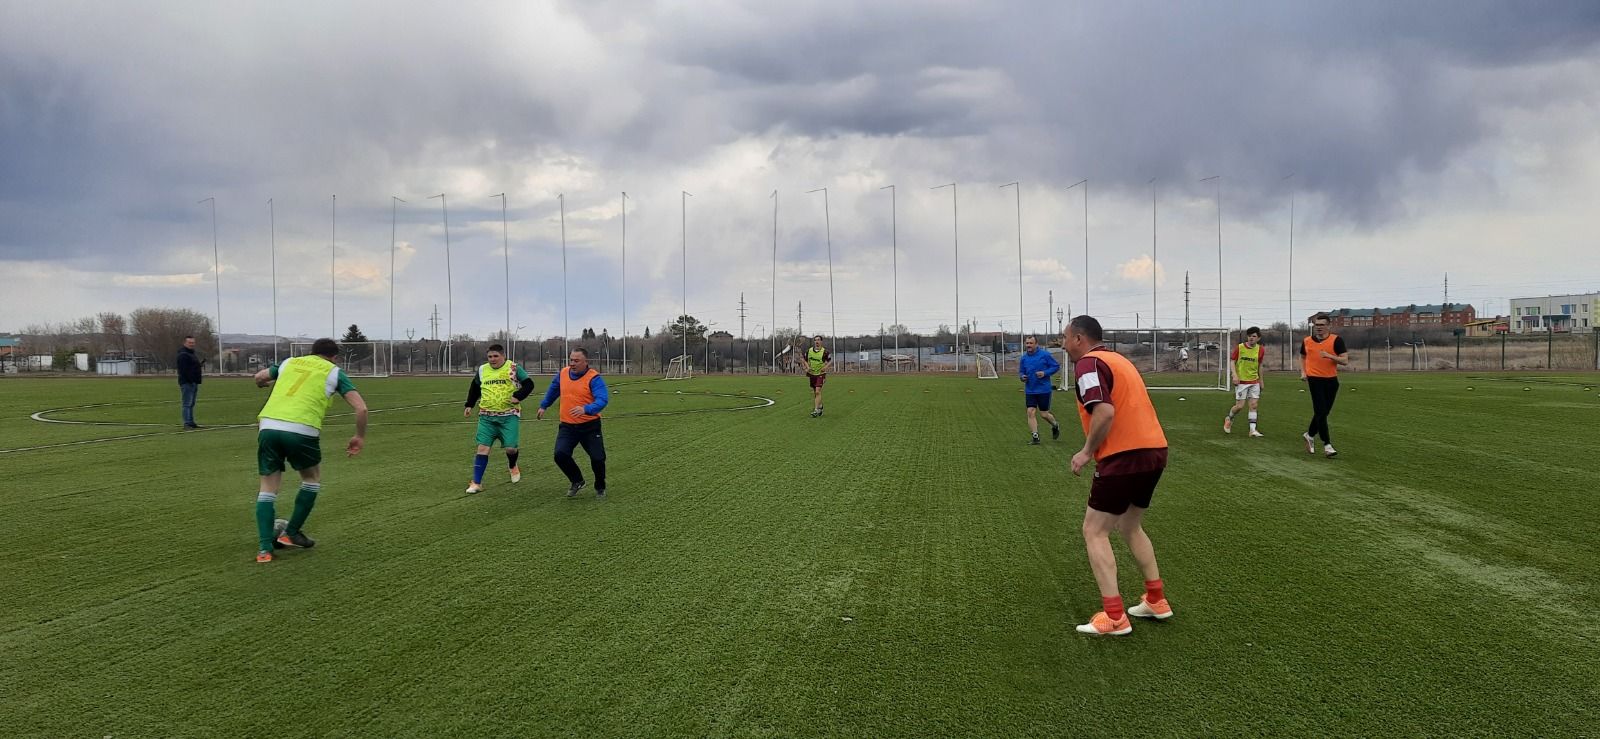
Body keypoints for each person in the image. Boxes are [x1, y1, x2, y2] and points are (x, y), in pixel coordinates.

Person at [1063, 315, 1171, 636]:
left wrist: (1085, 452)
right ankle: (1156, 599)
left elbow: (1105, 410)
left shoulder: (1088, 364)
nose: (1063, 344)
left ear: (1079, 339)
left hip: (1124, 455)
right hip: (1155, 450)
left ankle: (1114, 617)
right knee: (1129, 524)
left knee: (1094, 531)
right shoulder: (1119, 361)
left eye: (1065, 337)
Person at [249, 338, 368, 563]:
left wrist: (261, 384)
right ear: (334, 357)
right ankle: (291, 532)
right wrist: (359, 437)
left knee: (267, 487)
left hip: (268, 427)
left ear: (311, 352)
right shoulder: (334, 372)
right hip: (301, 429)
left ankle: (264, 550)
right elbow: (361, 408)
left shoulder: (290, 362)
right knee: (311, 479)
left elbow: (260, 376)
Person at [537, 348, 610, 498]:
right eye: (571, 360)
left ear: (586, 362)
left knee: (598, 458)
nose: (572, 364)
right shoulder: (563, 374)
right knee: (560, 454)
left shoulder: (594, 378)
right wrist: (544, 405)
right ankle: (577, 480)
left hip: (590, 426)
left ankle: (600, 486)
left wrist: (586, 409)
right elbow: (553, 389)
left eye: (576, 361)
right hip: (568, 426)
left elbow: (602, 400)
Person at [462, 344, 536, 494]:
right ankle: (476, 483)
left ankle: (512, 465)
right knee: (482, 448)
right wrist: (469, 404)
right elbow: (475, 387)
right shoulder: (483, 370)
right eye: (490, 356)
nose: (492, 359)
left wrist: (518, 396)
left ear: (503, 356)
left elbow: (529, 384)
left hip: (509, 416)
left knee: (511, 448)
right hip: (486, 417)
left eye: (496, 356)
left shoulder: (513, 368)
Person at [1300, 313, 1349, 458]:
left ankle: (1309, 435)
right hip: (1315, 380)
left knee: (1323, 413)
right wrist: (1303, 372)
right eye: (1317, 325)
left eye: (1322, 325)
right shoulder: (1307, 341)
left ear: (1328, 326)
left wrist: (1329, 356)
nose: (1319, 328)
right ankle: (1327, 444)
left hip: (1331, 381)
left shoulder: (1336, 340)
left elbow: (1345, 361)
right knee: (1321, 411)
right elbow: (1302, 356)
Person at [1017, 335, 1062, 445]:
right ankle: (1035, 436)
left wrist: (1045, 373)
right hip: (1030, 390)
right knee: (1030, 411)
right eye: (1027, 343)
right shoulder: (1024, 358)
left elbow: (1056, 366)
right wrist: (1022, 377)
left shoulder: (1045, 355)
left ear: (1036, 344)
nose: (1028, 345)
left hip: (1044, 390)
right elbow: (1021, 372)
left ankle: (1055, 425)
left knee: (1044, 414)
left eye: (1031, 343)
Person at [1224, 327, 1266, 437]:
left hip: (1254, 381)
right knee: (1239, 406)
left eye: (1254, 336)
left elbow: (1260, 365)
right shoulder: (1240, 347)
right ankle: (1229, 418)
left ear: (1258, 338)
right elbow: (1232, 361)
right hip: (1241, 382)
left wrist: (1261, 380)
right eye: (1249, 336)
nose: (1251, 338)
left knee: (1254, 405)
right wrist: (1234, 375)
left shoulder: (1260, 349)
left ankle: (1252, 430)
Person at [176, 335, 205, 428]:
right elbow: (183, 370)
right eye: (190, 342)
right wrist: (190, 380)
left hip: (193, 382)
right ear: (185, 343)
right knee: (187, 403)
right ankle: (187, 423)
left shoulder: (191, 354)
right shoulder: (183, 355)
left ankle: (191, 422)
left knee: (191, 403)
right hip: (187, 382)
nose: (192, 344)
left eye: (193, 342)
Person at [805, 335, 831, 418]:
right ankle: (820, 406)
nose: (817, 342)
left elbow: (830, 361)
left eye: (818, 340)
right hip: (812, 374)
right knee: (815, 393)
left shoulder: (825, 352)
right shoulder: (809, 351)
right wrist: (807, 367)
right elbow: (804, 360)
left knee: (817, 391)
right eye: (815, 340)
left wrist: (825, 367)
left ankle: (816, 410)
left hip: (821, 374)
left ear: (821, 342)